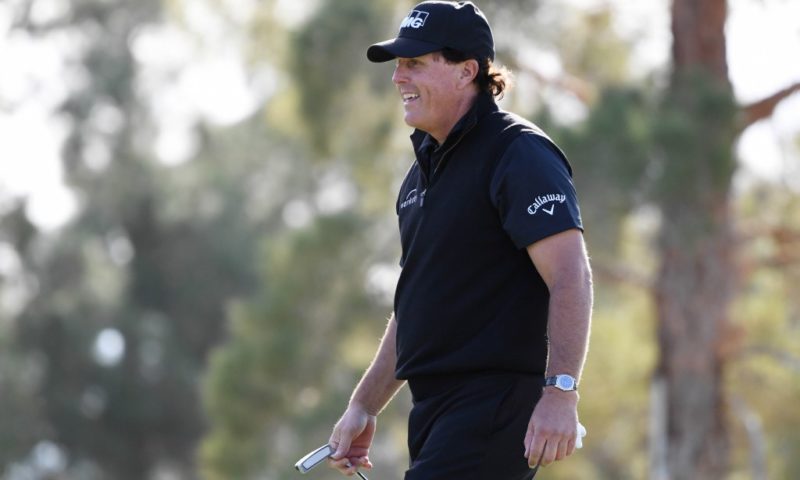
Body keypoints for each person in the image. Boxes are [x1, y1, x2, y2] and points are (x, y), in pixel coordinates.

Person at [327, 2, 592, 478]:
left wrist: (561, 391)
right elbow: (417, 304)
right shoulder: (420, 176)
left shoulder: (518, 152)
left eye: (414, 63)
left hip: (495, 403)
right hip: (434, 411)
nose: (398, 78)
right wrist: (364, 405)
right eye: (398, 65)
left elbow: (571, 275)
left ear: (467, 71)